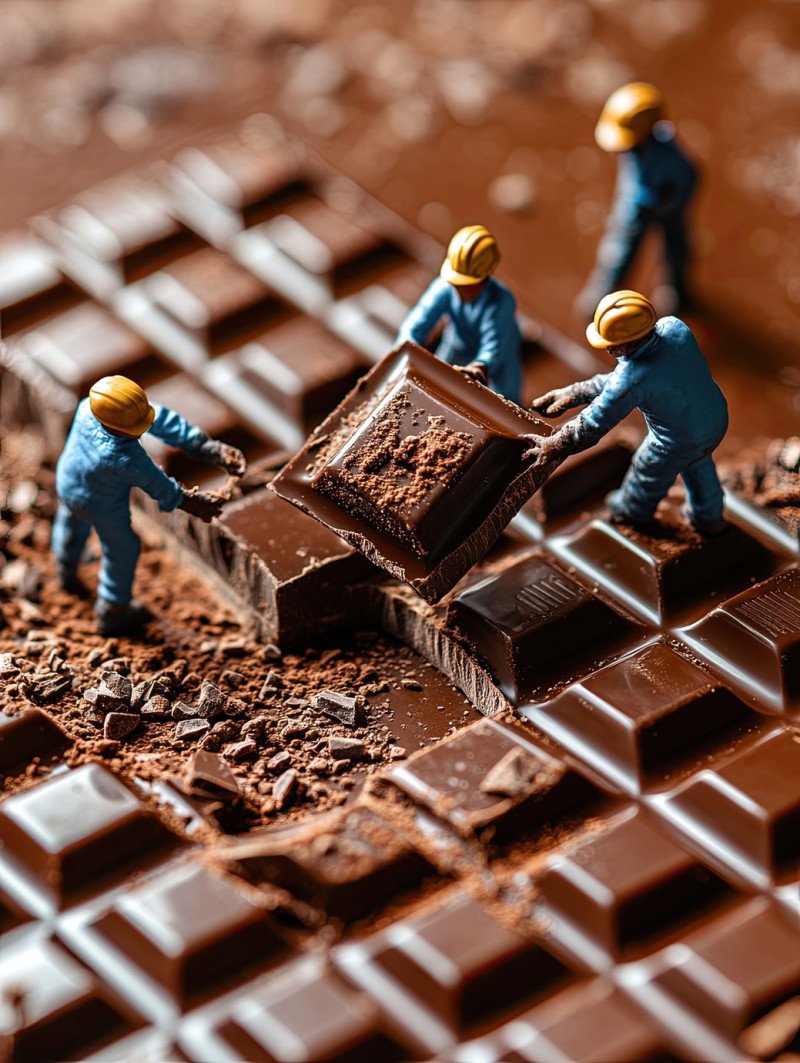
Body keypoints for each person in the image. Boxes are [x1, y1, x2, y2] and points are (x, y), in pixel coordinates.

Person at [53, 375, 246, 636]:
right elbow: (160, 486)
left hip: (66, 481)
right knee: (123, 548)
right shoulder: (124, 457)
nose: (143, 427)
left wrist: (203, 446)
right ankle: (112, 610)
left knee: (70, 522)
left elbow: (158, 418)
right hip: (100, 504)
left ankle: (65, 568)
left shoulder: (89, 407)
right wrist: (194, 503)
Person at [529, 290, 728, 536]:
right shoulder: (675, 328)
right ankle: (709, 516)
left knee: (648, 468)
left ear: (629, 344)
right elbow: (627, 380)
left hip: (678, 439)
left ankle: (631, 512)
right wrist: (575, 392)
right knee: (698, 461)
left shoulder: (632, 380)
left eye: (611, 346)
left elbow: (593, 424)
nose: (608, 350)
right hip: (715, 418)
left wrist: (555, 444)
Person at [576, 82, 698, 319]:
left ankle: (677, 296)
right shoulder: (635, 148)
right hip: (635, 210)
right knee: (616, 257)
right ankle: (600, 303)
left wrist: (669, 205)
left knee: (676, 252)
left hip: (663, 208)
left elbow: (692, 177)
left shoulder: (670, 159)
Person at [396, 224, 523, 403]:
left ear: (486, 276)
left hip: (501, 356)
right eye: (457, 283)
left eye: (468, 284)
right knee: (435, 384)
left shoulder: (501, 302)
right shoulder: (444, 288)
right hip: (457, 344)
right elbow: (417, 322)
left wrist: (480, 366)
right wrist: (407, 347)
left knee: (508, 401)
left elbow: (494, 345)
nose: (460, 289)